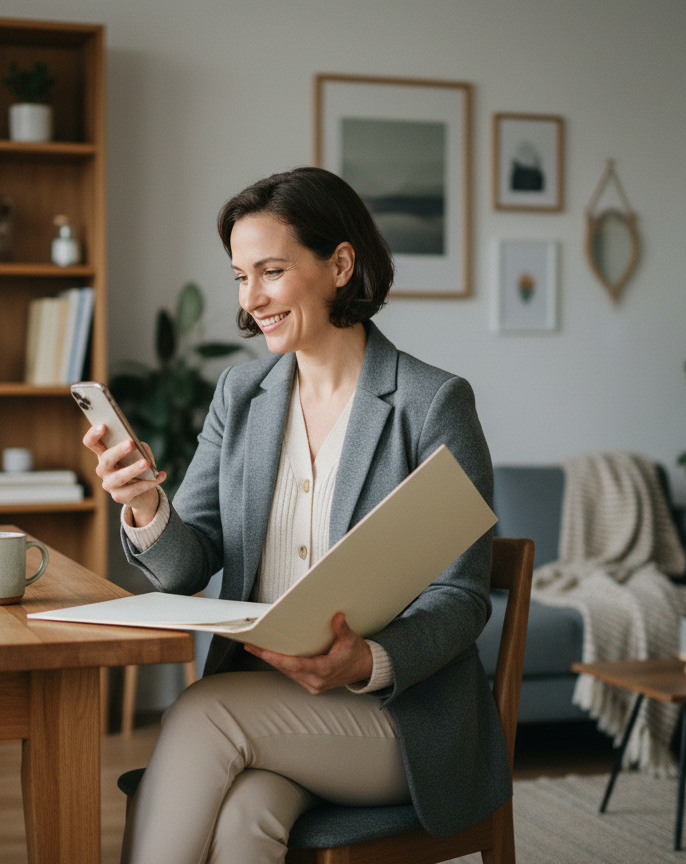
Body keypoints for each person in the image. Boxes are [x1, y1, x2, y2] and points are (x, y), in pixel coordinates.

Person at [84, 166, 509, 864]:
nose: (251, 301)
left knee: (200, 712)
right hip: (271, 709)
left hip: (395, 717)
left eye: (271, 271)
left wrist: (364, 661)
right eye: (239, 276)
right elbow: (189, 562)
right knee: (244, 819)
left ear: (340, 264)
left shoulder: (430, 404)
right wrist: (144, 505)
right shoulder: (241, 393)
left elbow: (461, 598)